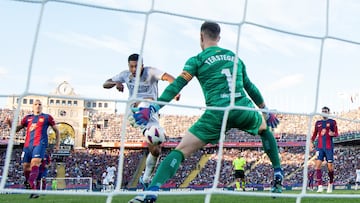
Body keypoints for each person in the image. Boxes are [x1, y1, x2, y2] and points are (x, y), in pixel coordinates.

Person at [128, 21, 283, 203]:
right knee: (264, 130)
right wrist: (265, 110)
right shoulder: (235, 57)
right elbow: (250, 87)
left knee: (180, 151)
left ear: (201, 37)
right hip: (242, 108)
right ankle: (278, 171)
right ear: (218, 38)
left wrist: (155, 106)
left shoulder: (197, 60)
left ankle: (152, 191)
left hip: (217, 113)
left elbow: (178, 84)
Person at [103, 53, 180, 189]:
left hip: (152, 114)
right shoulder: (125, 75)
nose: (133, 70)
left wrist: (176, 90)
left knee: (156, 149)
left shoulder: (151, 72)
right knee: (145, 103)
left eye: (136, 67)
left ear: (142, 66)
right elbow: (105, 84)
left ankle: (145, 178)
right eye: (131, 67)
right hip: (135, 112)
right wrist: (116, 82)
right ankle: (145, 111)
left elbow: (169, 78)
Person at [6, 99, 60, 199]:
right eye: (36, 104)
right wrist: (10, 124)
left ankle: (29, 182)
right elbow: (16, 129)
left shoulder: (47, 117)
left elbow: (56, 130)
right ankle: (33, 190)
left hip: (40, 144)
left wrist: (57, 144)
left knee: (35, 163)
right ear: (33, 106)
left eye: (40, 104)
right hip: (27, 146)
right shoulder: (27, 118)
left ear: (42, 106)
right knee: (26, 168)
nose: (38, 106)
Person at [310, 106, 338, 193]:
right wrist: (311, 142)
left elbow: (336, 133)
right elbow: (315, 134)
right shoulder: (318, 123)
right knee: (317, 165)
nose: (324, 112)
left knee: (330, 166)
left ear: (328, 112)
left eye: (325, 111)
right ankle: (320, 186)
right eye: (322, 111)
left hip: (329, 147)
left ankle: (330, 184)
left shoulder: (332, 122)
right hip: (320, 147)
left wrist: (332, 133)